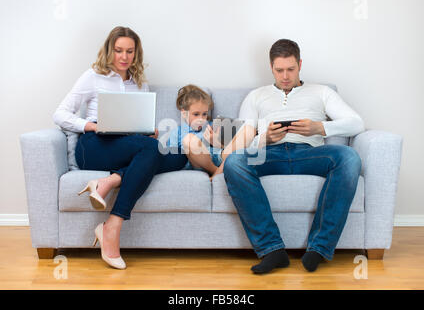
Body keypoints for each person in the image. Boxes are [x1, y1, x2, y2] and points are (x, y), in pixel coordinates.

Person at [210, 39, 364, 273]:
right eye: (279, 70)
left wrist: (319, 128)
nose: (285, 76)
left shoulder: (321, 92)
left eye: (290, 69)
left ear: (300, 64)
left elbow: (357, 123)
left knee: (349, 157)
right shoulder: (256, 96)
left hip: (309, 154)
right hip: (269, 153)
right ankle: (272, 250)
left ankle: (319, 248)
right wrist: (265, 139)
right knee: (235, 162)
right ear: (271, 67)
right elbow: (244, 140)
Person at [53, 26, 187, 269]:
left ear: (136, 54)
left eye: (129, 51)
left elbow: (137, 127)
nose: (124, 57)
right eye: (118, 50)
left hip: (125, 146)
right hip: (94, 146)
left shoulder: (139, 83)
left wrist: (148, 131)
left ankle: (111, 181)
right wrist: (90, 125)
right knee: (151, 149)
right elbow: (60, 114)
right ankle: (112, 227)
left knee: (179, 156)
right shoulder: (92, 76)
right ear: (109, 51)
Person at [167, 84, 223, 176]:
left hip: (213, 160)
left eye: (204, 114)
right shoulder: (177, 132)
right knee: (190, 140)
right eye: (196, 114)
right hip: (192, 164)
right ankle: (216, 172)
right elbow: (173, 158)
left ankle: (216, 170)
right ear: (184, 114)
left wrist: (216, 143)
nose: (201, 119)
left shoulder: (211, 126)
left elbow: (219, 154)